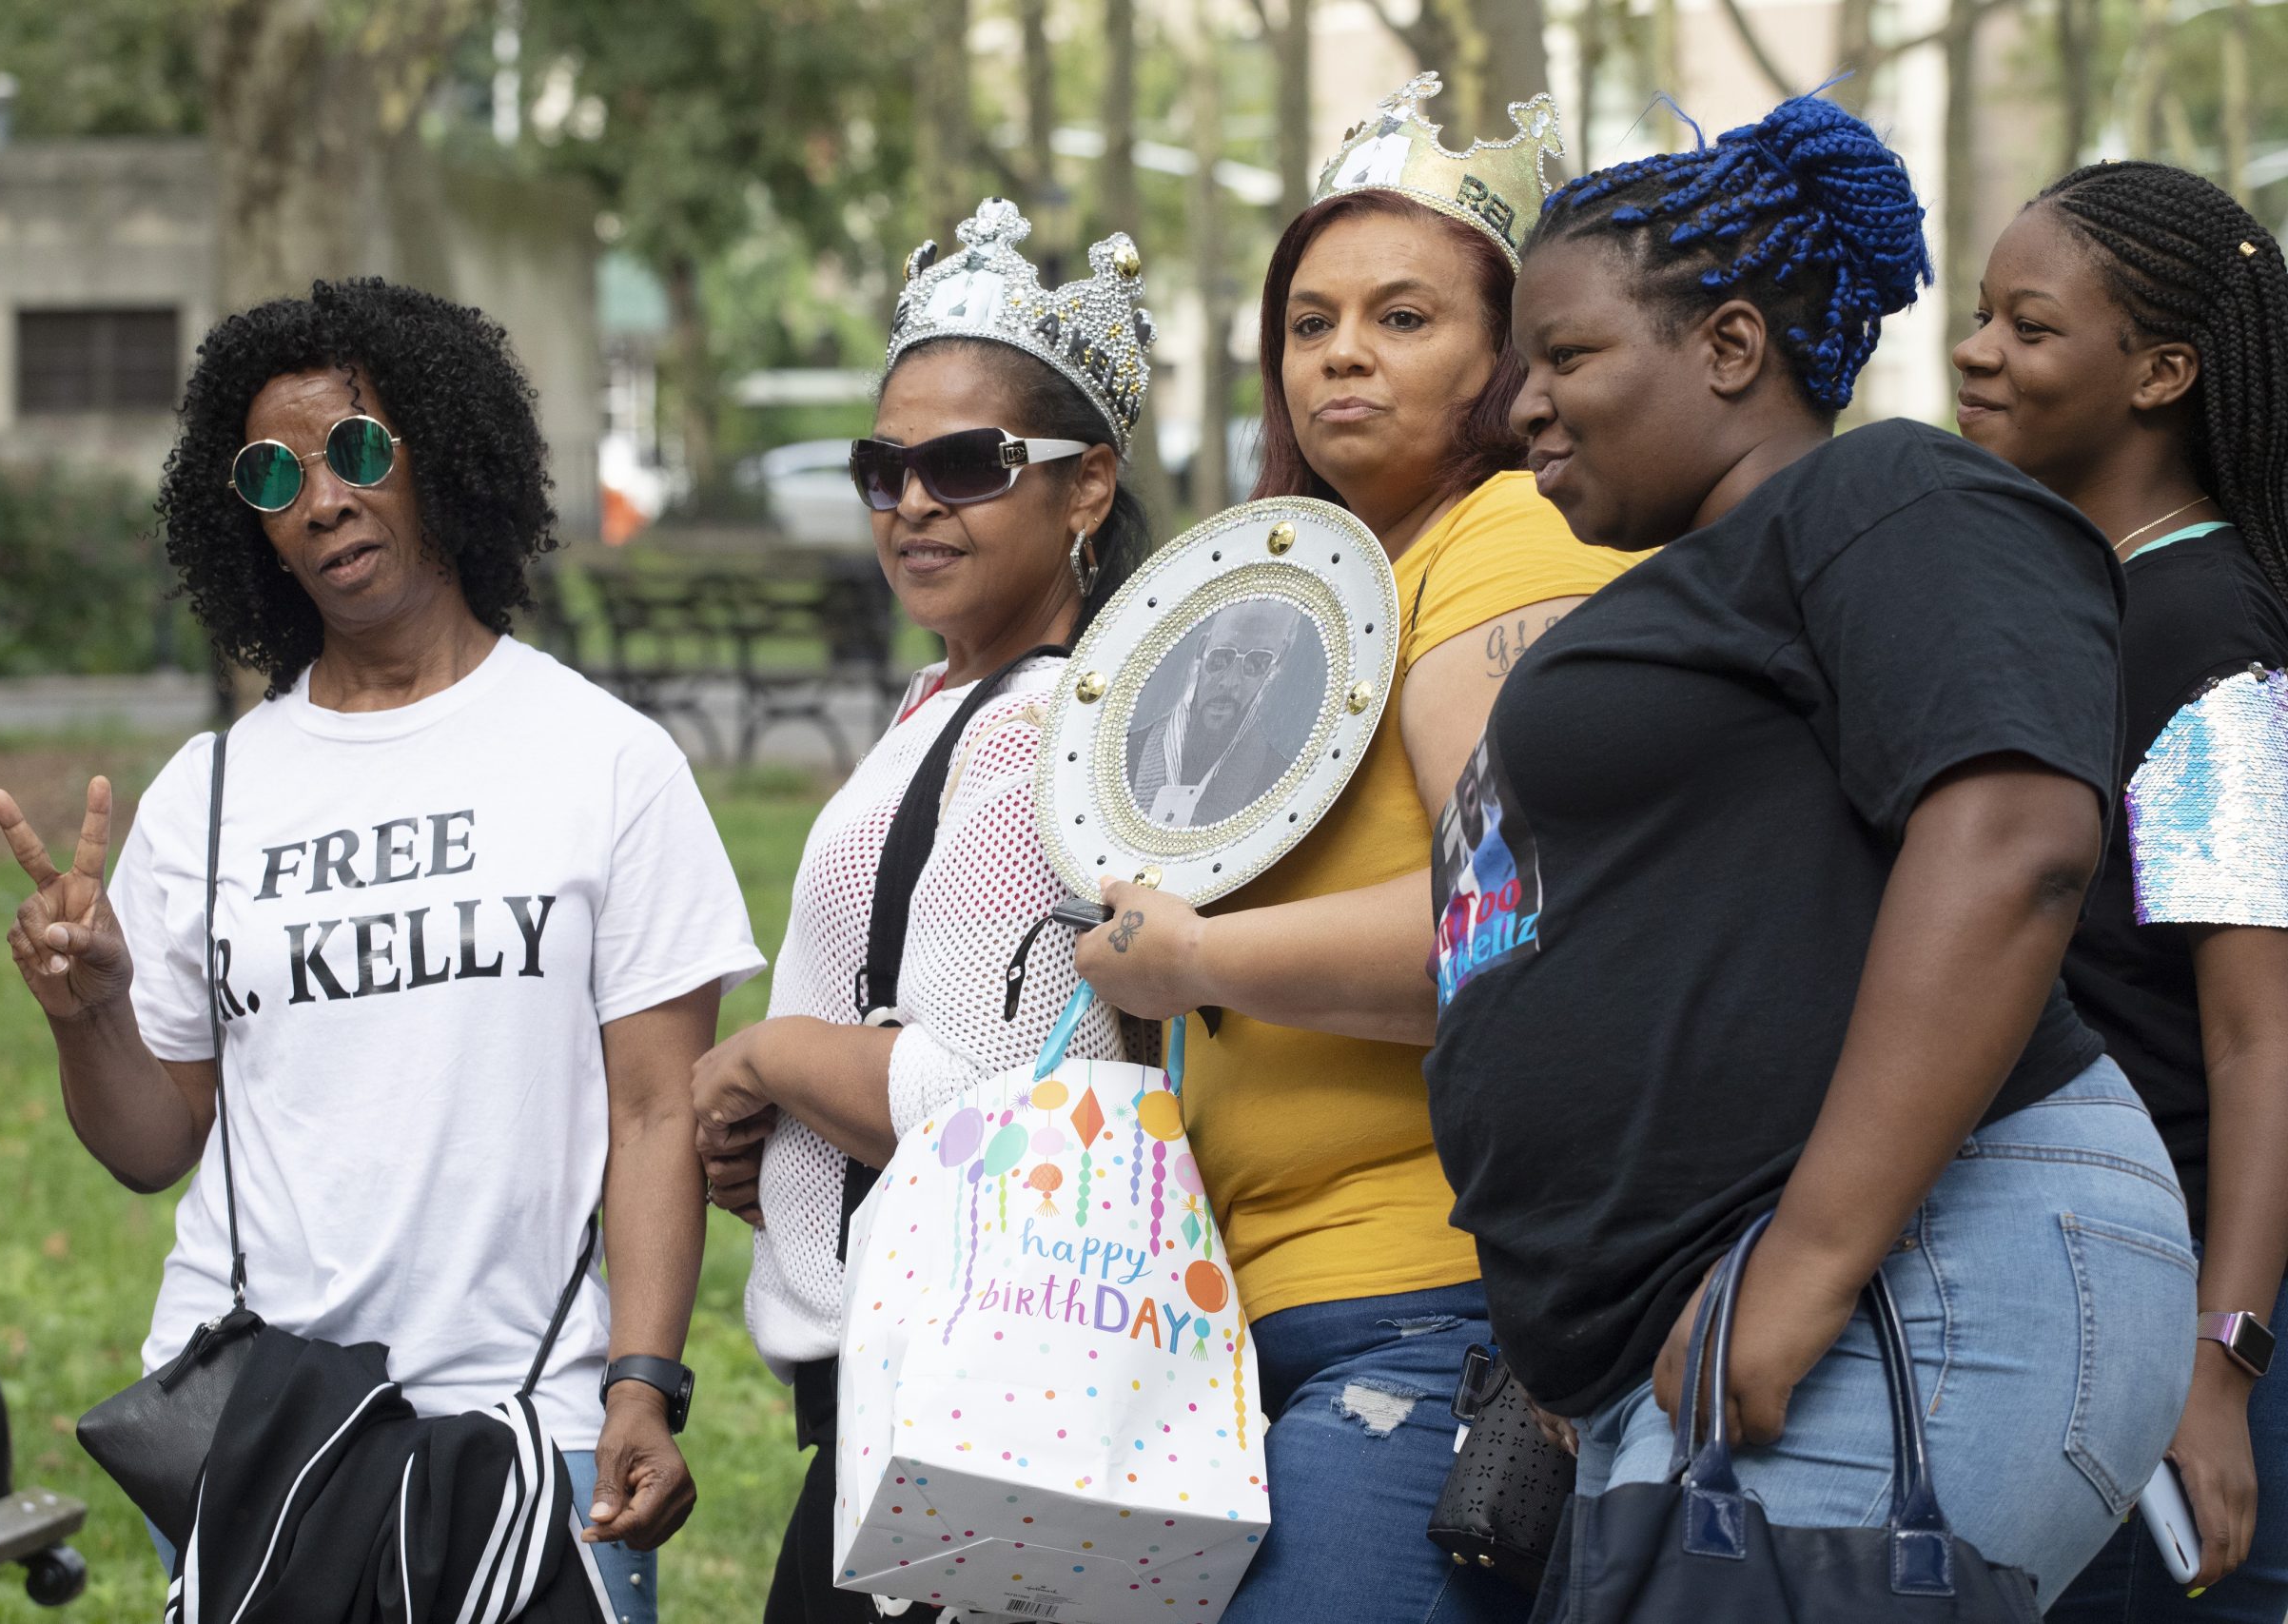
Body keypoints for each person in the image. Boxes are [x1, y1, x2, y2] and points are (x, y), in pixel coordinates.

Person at [1425, 94, 2200, 1603]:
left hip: (1907, 1269)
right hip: (1710, 1330)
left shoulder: (1887, 494)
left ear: (1729, 346)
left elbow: (2015, 835)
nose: (1523, 407)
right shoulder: (1698, 590)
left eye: (1567, 355)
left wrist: (1814, 1257)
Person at [0, 278, 763, 1623]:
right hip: (257, 1431)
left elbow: (654, 1114)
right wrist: (88, 1010)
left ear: (439, 455)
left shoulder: (605, 762)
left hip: (532, 1421)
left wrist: (642, 1380)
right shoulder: (212, 792)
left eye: (353, 449)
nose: (322, 499)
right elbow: (152, 1147)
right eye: (272, 475)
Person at [1075, 75, 1635, 1623]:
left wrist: (1195, 955)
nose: (1340, 353)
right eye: (1309, 321)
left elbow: (1515, 920)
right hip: (1242, 1312)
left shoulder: (1505, 533)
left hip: (1424, 1306)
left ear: (1506, 354)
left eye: (1404, 317)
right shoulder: (1312, 580)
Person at [688, 199, 1152, 1624]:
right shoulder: (952, 699)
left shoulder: (1035, 730)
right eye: (882, 469)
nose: (911, 503)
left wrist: (759, 1061)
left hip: (956, 1403)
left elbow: (984, 1111)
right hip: (908, 1399)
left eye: (965, 464)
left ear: (1085, 487)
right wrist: (783, 1148)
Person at [1955, 164, 2288, 1620]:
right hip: (2077, 1290)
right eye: (1982, 316)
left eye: (2028, 327)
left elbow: (2259, 1033)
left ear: (2162, 373)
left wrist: (2220, 1363)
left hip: (2186, 1317)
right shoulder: (2077, 591)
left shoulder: (2202, 626)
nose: (1976, 351)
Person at [1124, 599, 1312, 828]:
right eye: (1221, 658)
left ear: (1277, 663)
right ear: (1202, 649)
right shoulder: (1128, 751)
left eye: (1255, 664)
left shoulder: (1283, 780)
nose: (1230, 682)